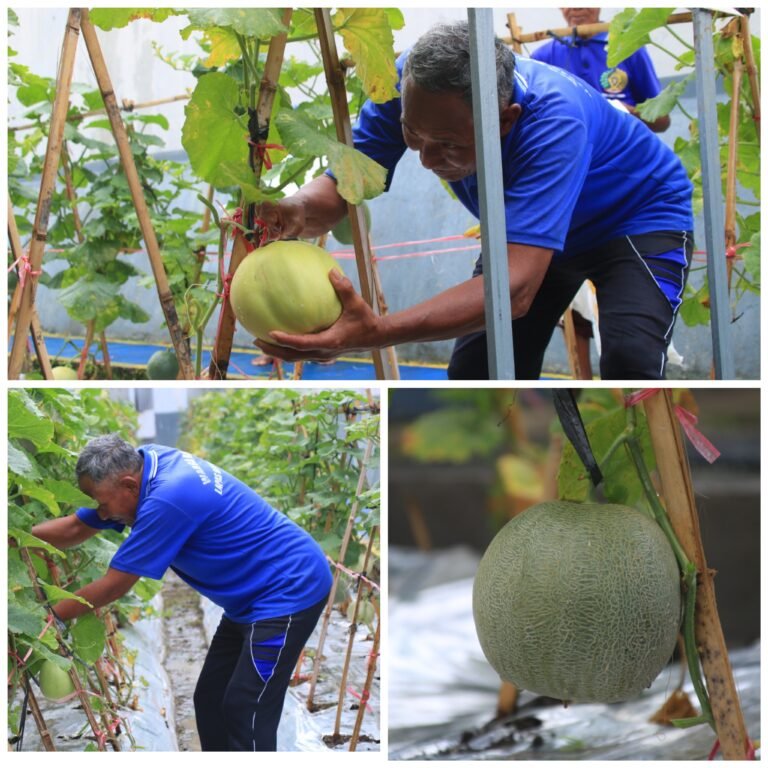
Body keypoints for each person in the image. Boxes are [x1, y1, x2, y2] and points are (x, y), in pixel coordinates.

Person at [254, 21, 693, 380]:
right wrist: (292, 211)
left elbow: (513, 290)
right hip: (529, 235)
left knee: (631, 363)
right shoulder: (410, 86)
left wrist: (377, 332)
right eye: (412, 134)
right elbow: (344, 187)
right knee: (478, 373)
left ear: (505, 120)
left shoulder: (554, 119)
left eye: (447, 144)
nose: (425, 159)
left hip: (637, 218)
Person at [31, 434, 333, 752]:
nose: (102, 514)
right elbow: (79, 527)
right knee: (211, 699)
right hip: (251, 598)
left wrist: (53, 617)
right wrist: (19, 537)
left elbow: (116, 583)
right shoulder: (148, 464)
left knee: (248, 708)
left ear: (130, 485)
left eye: (103, 504)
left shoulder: (169, 499)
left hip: (288, 591)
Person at [530, 7, 671, 133]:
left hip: (624, 153)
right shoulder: (541, 58)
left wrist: (624, 111)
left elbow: (661, 122)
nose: (577, 7)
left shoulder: (629, 47)